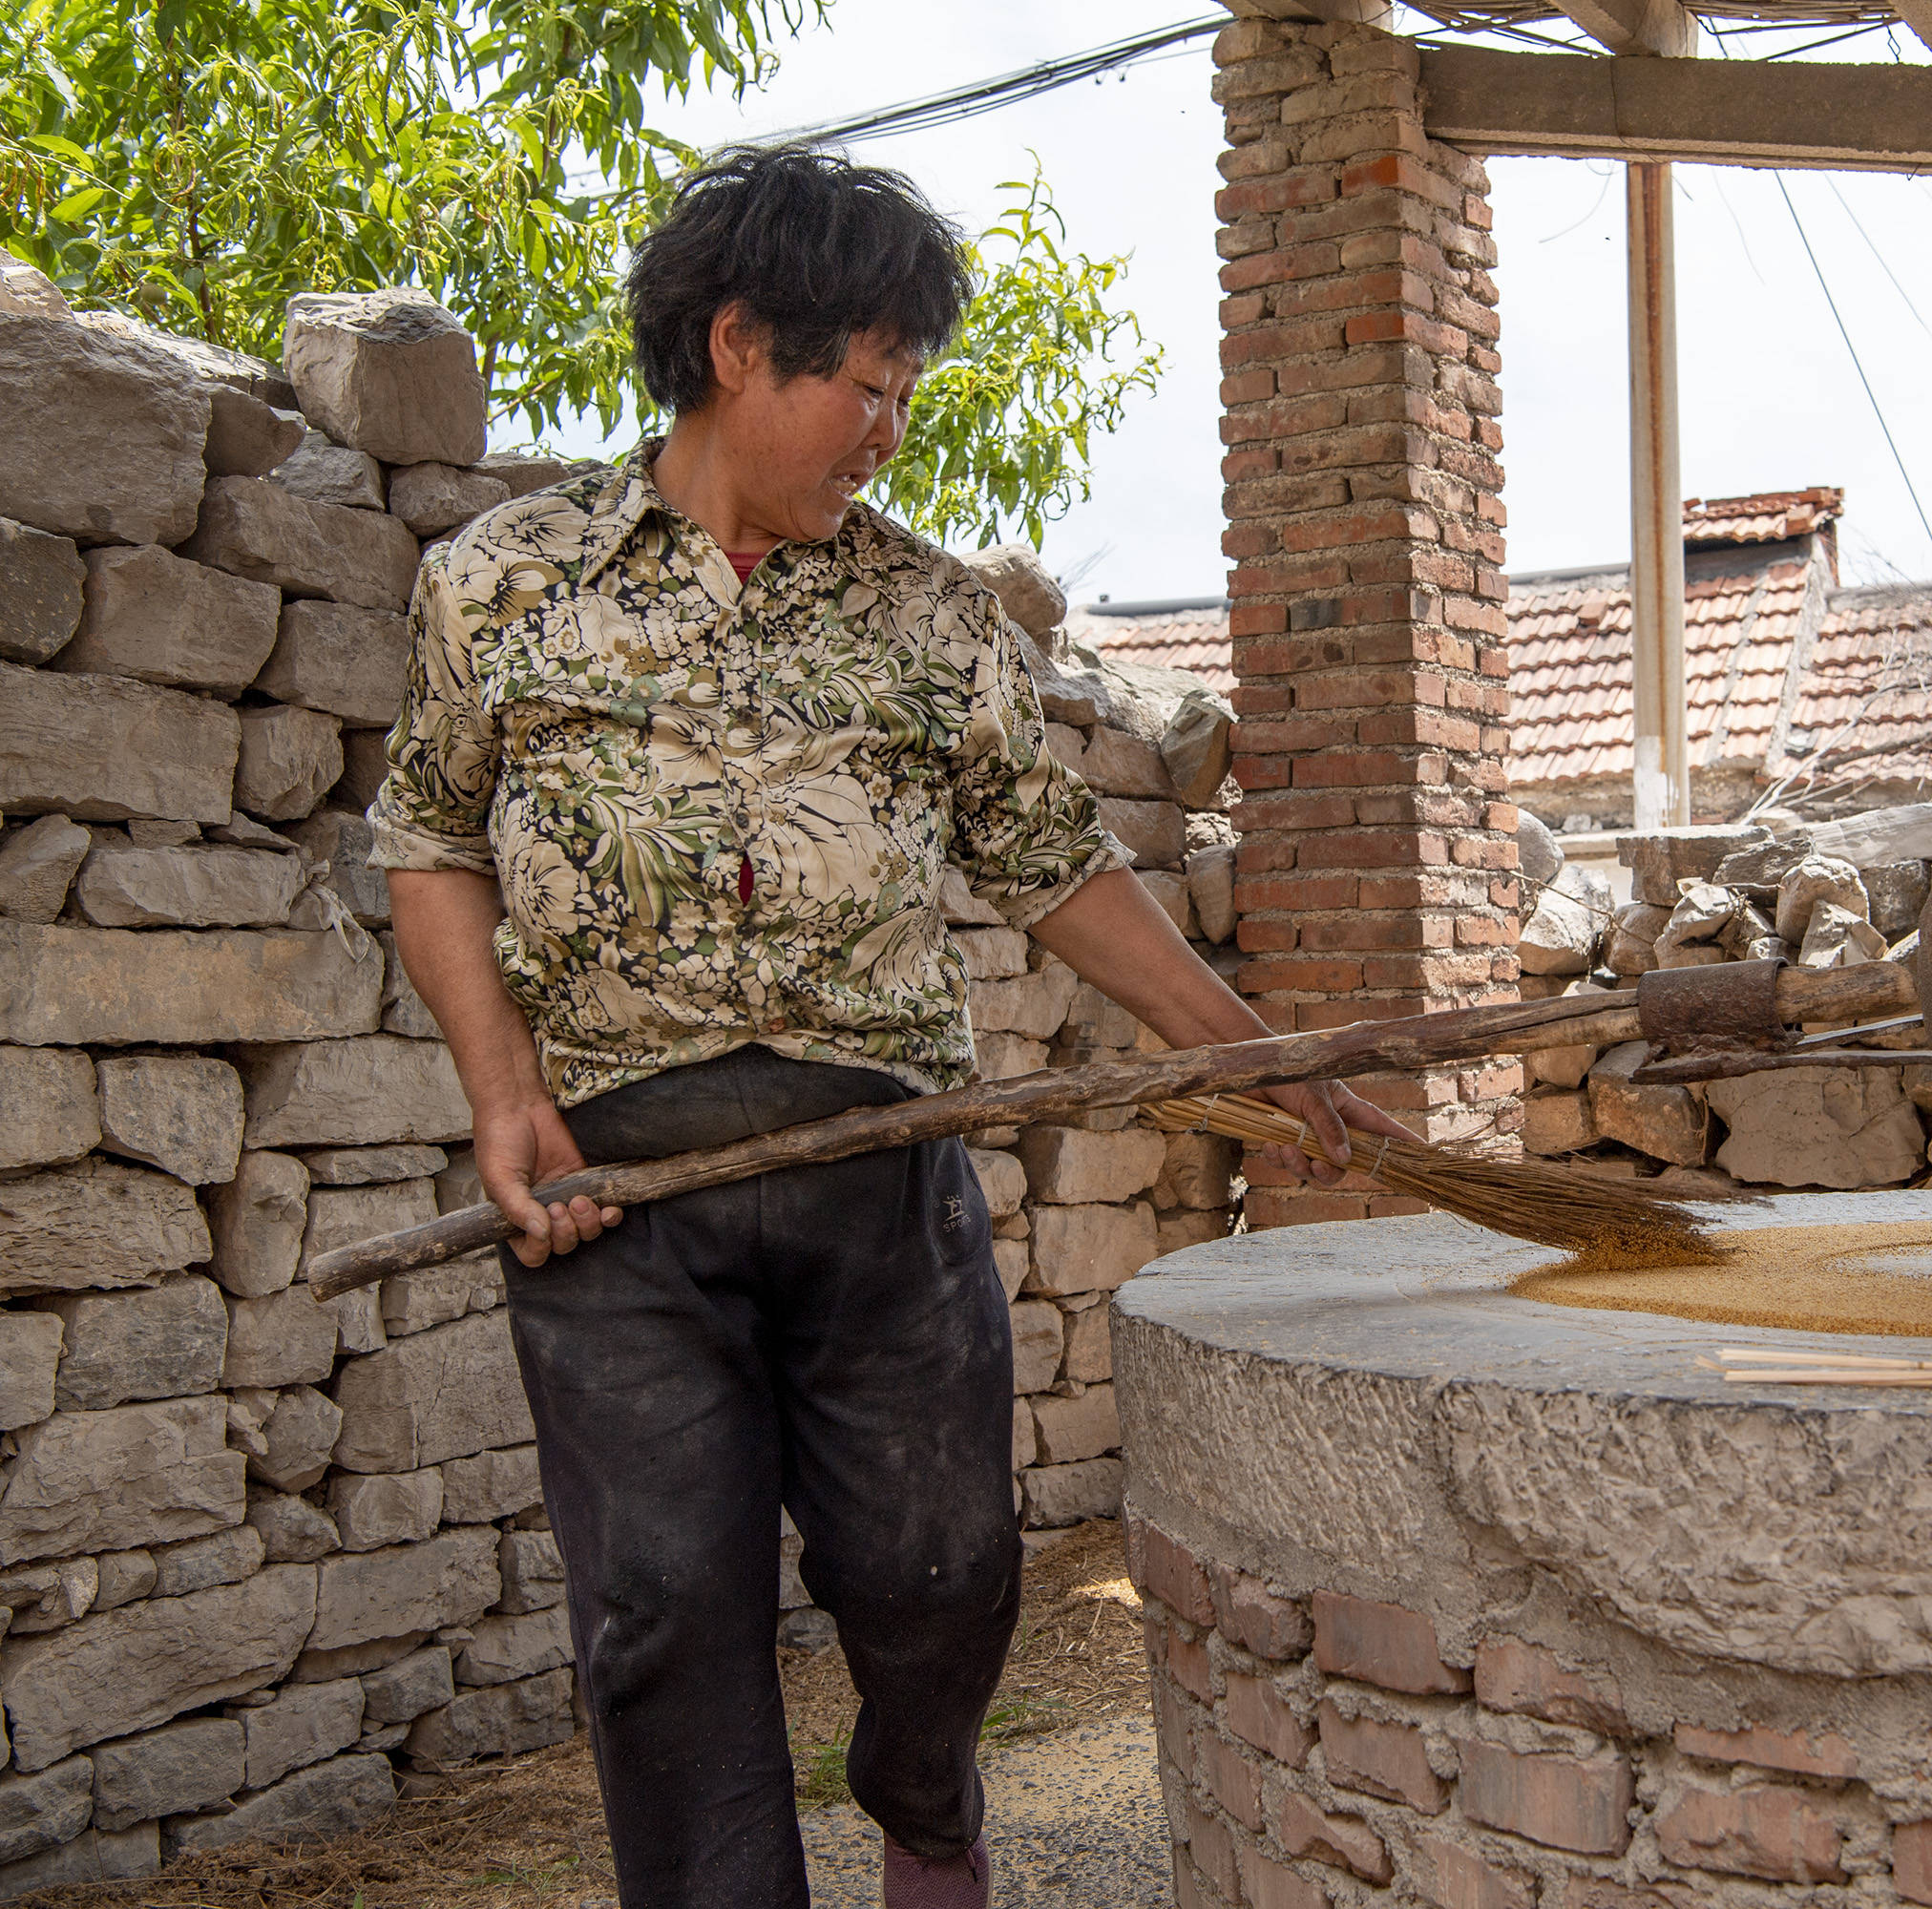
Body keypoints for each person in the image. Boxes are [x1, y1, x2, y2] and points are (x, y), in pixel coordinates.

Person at [369, 145, 1400, 1909]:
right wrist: (502, 1098)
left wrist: (1243, 1049)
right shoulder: (506, 585)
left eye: (905, 392)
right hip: (618, 1202)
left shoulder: (929, 619)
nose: (888, 429)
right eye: (865, 383)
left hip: (881, 1190)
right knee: (663, 1608)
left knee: (942, 1576)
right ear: (733, 344)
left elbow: (1048, 867)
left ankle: (921, 1798)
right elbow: (433, 841)